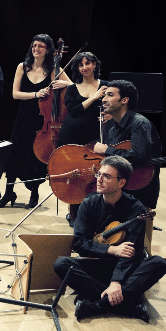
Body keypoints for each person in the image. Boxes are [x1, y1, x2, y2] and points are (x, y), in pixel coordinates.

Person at [54, 156, 166, 322]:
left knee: (158, 263)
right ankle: (127, 304)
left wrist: (116, 281)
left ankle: (97, 304)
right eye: (99, 174)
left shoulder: (136, 209)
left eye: (106, 176)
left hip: (124, 268)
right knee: (61, 264)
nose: (99, 180)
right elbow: (79, 243)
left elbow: (132, 254)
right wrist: (110, 249)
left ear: (121, 183)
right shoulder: (88, 203)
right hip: (96, 263)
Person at [0, 34, 72, 208]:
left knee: (34, 157)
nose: (36, 49)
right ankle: (9, 192)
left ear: (48, 50)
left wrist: (63, 84)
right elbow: (15, 94)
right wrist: (36, 94)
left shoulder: (53, 69)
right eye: (34, 45)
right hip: (23, 116)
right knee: (15, 153)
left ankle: (34, 193)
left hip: (41, 120)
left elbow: (72, 85)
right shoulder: (22, 67)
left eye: (41, 46)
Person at [57, 52, 112, 226]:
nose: (85, 67)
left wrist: (109, 114)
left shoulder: (106, 86)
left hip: (94, 136)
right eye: (81, 65)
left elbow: (114, 106)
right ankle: (74, 214)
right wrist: (94, 97)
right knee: (76, 175)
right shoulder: (72, 88)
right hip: (72, 134)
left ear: (95, 64)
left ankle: (93, 213)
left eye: (88, 63)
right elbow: (73, 112)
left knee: (93, 174)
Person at [93, 79, 161, 211]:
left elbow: (139, 155)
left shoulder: (139, 123)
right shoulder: (114, 127)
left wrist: (107, 149)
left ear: (124, 100)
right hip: (123, 187)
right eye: (104, 95)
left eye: (110, 95)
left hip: (139, 187)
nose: (103, 99)